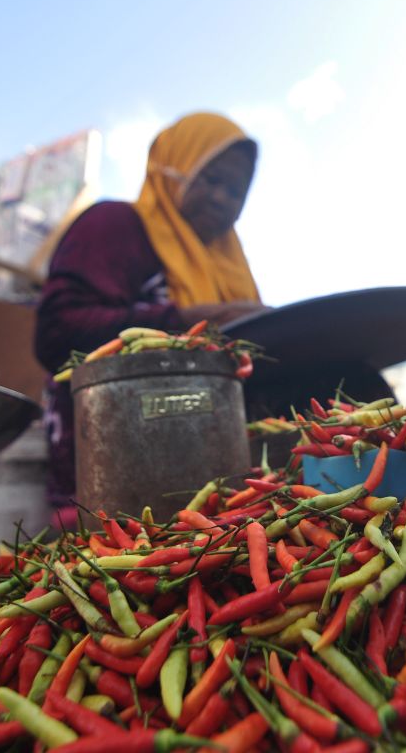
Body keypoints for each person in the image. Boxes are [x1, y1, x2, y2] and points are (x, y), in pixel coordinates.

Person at [34, 112, 267, 521]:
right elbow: (57, 331)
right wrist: (187, 319)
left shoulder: (231, 265)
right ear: (172, 169)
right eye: (211, 179)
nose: (221, 199)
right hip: (114, 473)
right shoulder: (117, 225)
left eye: (236, 191)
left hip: (221, 481)